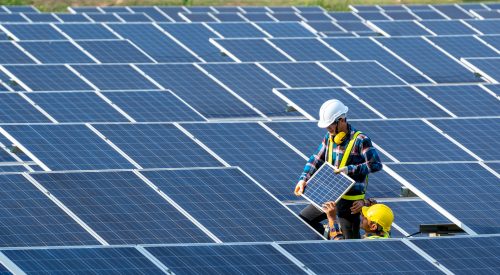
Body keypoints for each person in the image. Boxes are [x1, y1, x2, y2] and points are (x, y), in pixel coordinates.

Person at [294, 99, 382, 239]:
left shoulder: (360, 139)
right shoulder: (329, 138)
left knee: (349, 244)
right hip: (329, 195)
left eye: (330, 126)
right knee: (303, 220)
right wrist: (303, 179)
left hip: (350, 203)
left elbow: (376, 164)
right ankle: (330, 235)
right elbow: (316, 158)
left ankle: (336, 237)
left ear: (341, 120)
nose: (328, 129)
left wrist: (349, 169)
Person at [322, 201, 394, 240]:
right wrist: (365, 202)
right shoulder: (386, 234)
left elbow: (339, 243)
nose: (361, 216)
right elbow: (383, 216)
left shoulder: (367, 243)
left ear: (373, 226)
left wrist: (332, 219)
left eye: (365, 217)